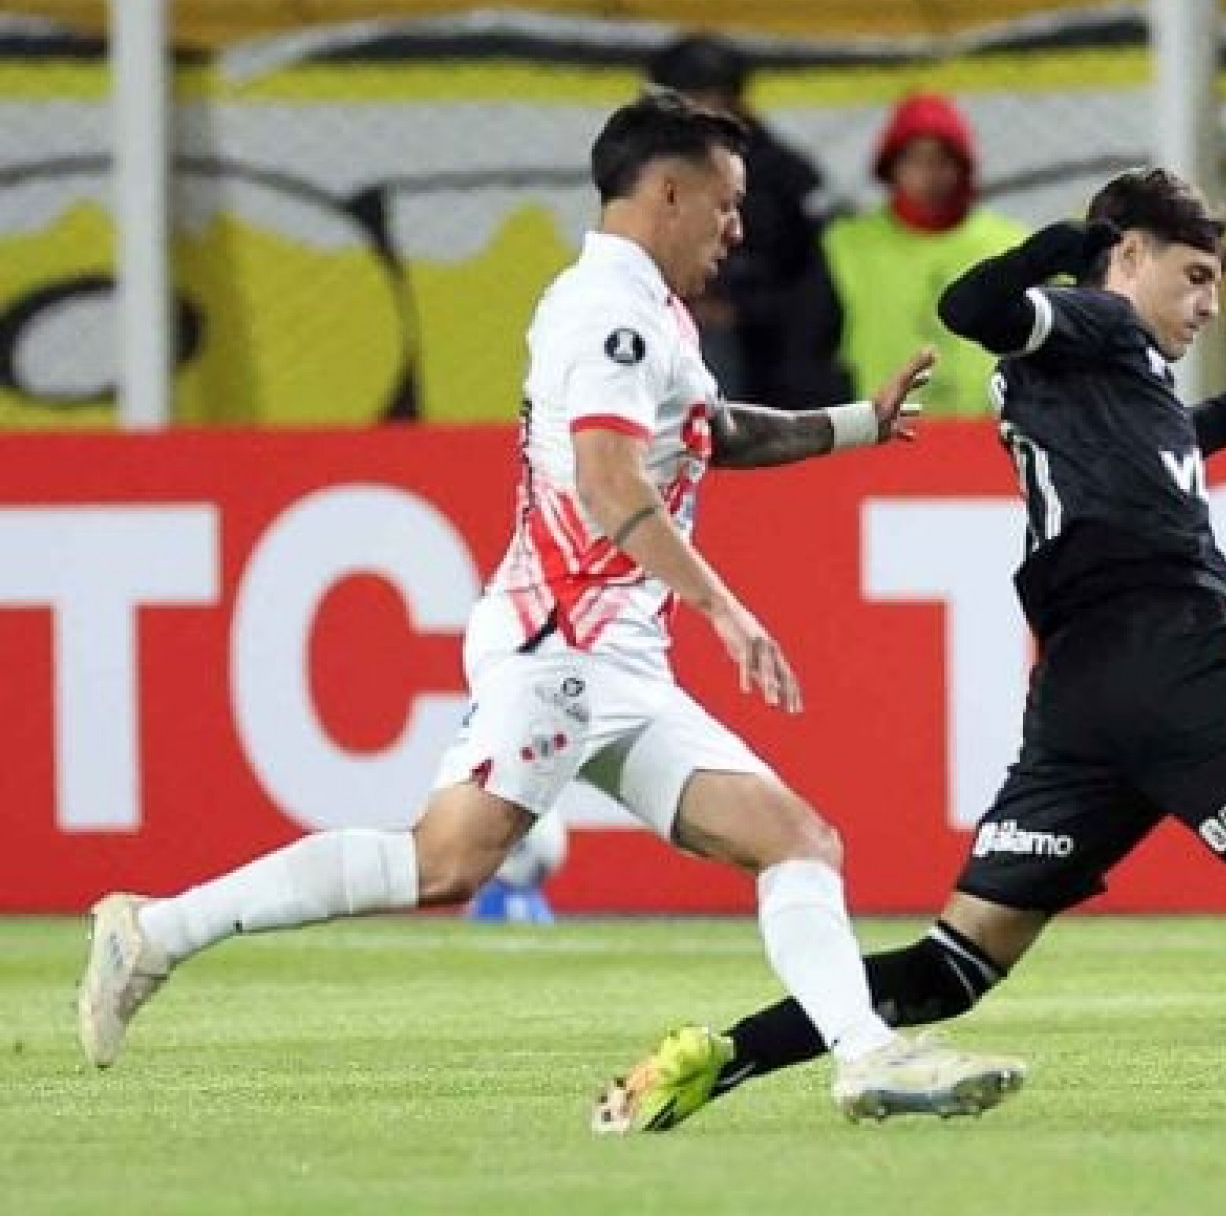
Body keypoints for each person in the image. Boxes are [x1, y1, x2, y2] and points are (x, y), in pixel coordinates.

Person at [589, 166, 1226, 1135]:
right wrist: (1062, 246)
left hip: (1081, 692)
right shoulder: (1095, 316)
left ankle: (713, 1056)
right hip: (1177, 648)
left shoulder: (1106, 369)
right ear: (1129, 257)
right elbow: (975, 306)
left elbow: (1149, 452)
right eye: (1197, 274)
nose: (1210, 302)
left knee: (955, 964)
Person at [76, 92, 1025, 1129]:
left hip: (609, 651)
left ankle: (864, 1055)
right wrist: (725, 607)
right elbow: (613, 483)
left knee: (796, 838)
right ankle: (155, 930)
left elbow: (711, 431)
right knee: (450, 861)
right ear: (668, 192)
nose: (738, 227)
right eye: (726, 202)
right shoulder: (608, 315)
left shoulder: (645, 308)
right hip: (568, 641)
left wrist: (854, 424)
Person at [649, 33, 851, 410]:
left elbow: (813, 286)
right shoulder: (649, 175)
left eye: (701, 97)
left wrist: (739, 308)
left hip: (777, 343)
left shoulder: (783, 176)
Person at [823, 92, 1027, 416]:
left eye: (942, 161)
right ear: (891, 167)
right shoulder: (845, 246)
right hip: (876, 429)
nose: (929, 175)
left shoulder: (1010, 243)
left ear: (962, 167)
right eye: (915, 161)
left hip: (988, 432)